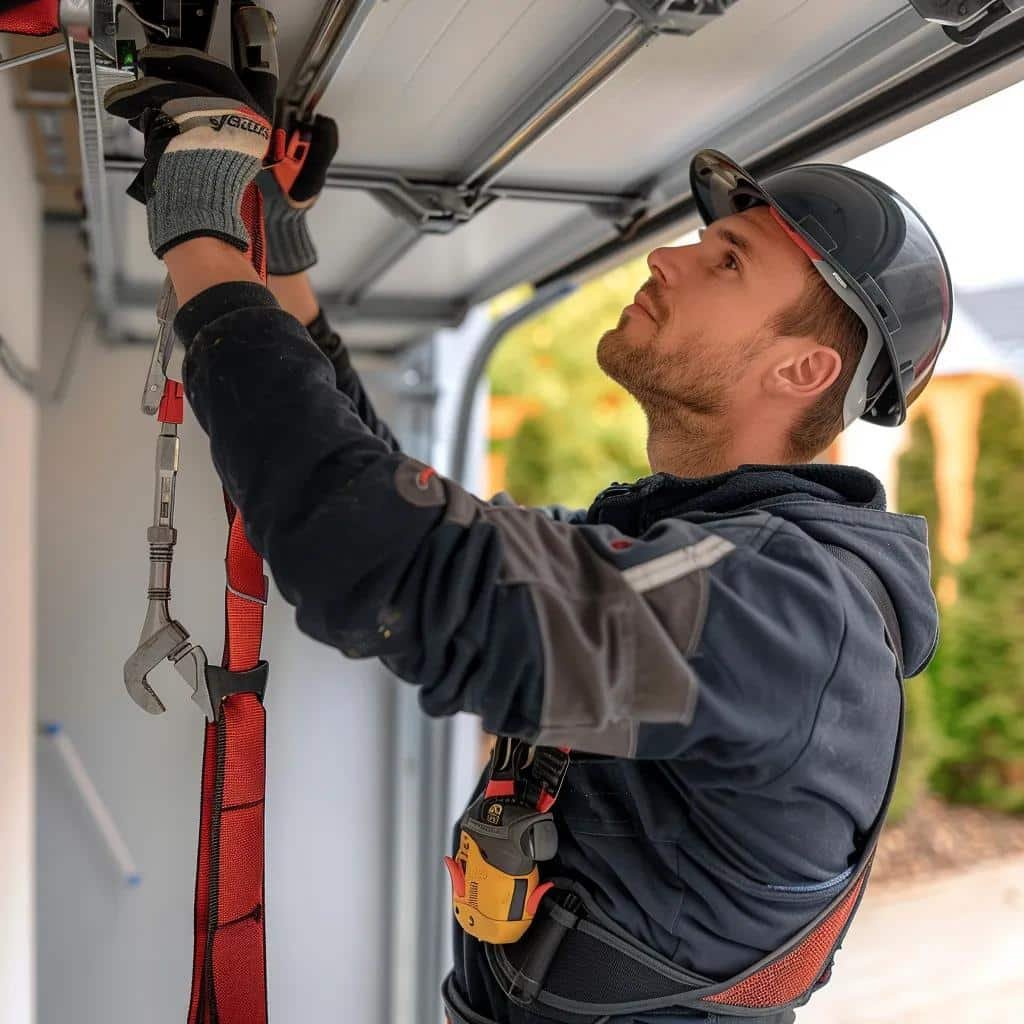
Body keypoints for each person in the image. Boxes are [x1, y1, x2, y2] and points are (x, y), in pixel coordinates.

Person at [104, 43, 951, 1024]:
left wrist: (198, 228)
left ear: (802, 371)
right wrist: (274, 251)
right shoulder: (683, 552)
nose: (666, 255)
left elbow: (386, 561)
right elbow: (412, 519)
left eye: (727, 262)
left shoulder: (788, 615)